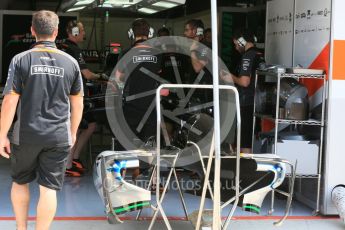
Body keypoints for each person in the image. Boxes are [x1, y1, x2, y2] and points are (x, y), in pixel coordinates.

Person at [0, 10, 83, 230]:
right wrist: (73, 132)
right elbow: (78, 103)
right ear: (56, 32)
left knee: (20, 182)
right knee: (49, 189)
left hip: (25, 135)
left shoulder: (20, 59)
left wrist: (1, 136)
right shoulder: (71, 62)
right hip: (58, 135)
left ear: (32, 31)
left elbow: (9, 101)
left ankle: (21, 228)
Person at [60, 20, 107, 177]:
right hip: (74, 96)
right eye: (82, 31)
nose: (84, 33)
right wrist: (101, 76)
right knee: (77, 128)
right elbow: (87, 74)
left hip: (65, 94)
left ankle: (74, 158)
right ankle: (67, 165)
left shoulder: (60, 47)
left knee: (90, 125)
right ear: (74, 33)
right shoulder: (73, 50)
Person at [221, 28, 265, 153]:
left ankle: (244, 170)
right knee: (250, 137)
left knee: (244, 140)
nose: (235, 48)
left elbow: (244, 82)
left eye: (236, 44)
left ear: (241, 41)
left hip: (247, 102)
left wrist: (229, 76)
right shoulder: (259, 54)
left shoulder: (248, 56)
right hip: (258, 102)